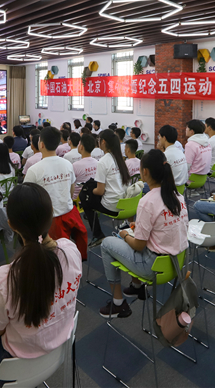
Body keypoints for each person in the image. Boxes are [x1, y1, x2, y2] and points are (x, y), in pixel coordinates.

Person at [0, 183, 82, 385]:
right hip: (60, 348)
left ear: (12, 225)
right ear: (51, 213)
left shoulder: (5, 279)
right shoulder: (71, 251)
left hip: (16, 366)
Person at [98, 149, 189, 317]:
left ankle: (118, 303)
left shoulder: (147, 201)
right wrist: (139, 227)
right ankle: (136, 287)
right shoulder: (178, 196)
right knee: (131, 235)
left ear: (145, 172)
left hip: (152, 267)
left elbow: (139, 246)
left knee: (108, 243)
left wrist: (125, 235)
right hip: (176, 262)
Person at [25, 127, 88, 260]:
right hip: (69, 212)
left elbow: (27, 200)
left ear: (41, 144)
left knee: (55, 256)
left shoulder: (34, 170)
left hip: (49, 220)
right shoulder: (67, 164)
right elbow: (71, 190)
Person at [81, 129, 131, 246]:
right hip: (126, 204)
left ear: (103, 141)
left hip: (112, 206)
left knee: (84, 195)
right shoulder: (120, 158)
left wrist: (91, 190)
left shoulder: (103, 161)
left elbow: (100, 191)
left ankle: (97, 234)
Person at [72, 133, 98, 201]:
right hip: (93, 198)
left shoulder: (75, 165)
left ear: (81, 147)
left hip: (78, 200)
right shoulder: (97, 163)